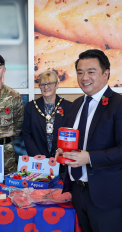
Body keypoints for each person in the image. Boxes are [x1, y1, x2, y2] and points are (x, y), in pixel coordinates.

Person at [56, 49, 122, 231]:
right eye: (80, 72)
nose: (84, 77)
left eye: (91, 71)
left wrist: (89, 157)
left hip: (106, 197)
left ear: (106, 73)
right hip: (78, 192)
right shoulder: (76, 104)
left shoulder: (118, 104)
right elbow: (72, 140)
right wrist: (62, 150)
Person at [22, 71, 71, 158]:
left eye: (50, 83)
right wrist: (36, 155)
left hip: (61, 158)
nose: (46, 87)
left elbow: (71, 133)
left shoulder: (68, 107)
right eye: (43, 84)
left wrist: (62, 152)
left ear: (57, 85)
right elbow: (27, 134)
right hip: (38, 160)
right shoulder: (31, 107)